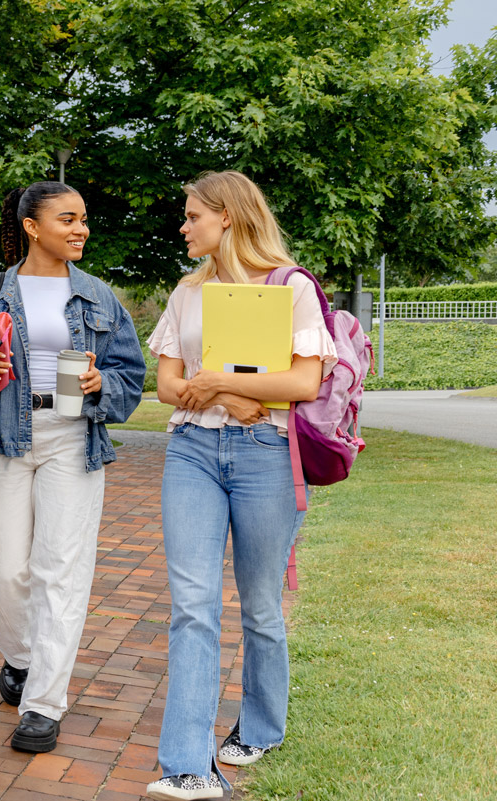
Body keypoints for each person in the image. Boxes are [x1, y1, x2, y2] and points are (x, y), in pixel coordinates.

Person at [144, 171, 337, 800]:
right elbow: (168, 385)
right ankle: (188, 765)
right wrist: (220, 392)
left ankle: (260, 727)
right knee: (193, 607)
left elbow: (304, 383)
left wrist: (224, 387)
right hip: (193, 449)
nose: (184, 225)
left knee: (259, 607)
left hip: (266, 456)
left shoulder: (292, 288)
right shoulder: (187, 291)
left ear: (226, 216)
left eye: (192, 215)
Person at [0, 182, 145, 753]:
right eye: (68, 219)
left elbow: (130, 377)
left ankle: (43, 704)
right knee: (3, 566)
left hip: (73, 437)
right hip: (3, 435)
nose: (81, 229)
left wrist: (99, 385)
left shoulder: (99, 296)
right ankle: (20, 658)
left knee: (60, 569)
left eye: (84, 218)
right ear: (33, 226)